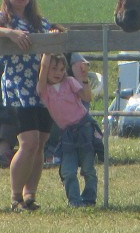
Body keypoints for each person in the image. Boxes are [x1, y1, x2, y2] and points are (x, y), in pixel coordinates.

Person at [0, 0, 58, 212]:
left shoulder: (39, 21)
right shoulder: (2, 18)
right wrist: (9, 33)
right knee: (28, 142)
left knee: (41, 142)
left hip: (42, 85)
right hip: (19, 86)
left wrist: (53, 36)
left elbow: (53, 36)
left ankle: (30, 194)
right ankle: (15, 197)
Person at [37, 53, 97, 207]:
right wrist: (48, 50)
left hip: (84, 127)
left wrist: (84, 77)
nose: (58, 73)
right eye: (54, 68)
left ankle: (89, 199)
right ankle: (75, 202)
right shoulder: (44, 90)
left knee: (88, 168)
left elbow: (87, 97)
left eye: (62, 69)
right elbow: (43, 67)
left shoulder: (69, 82)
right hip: (67, 134)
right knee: (68, 171)